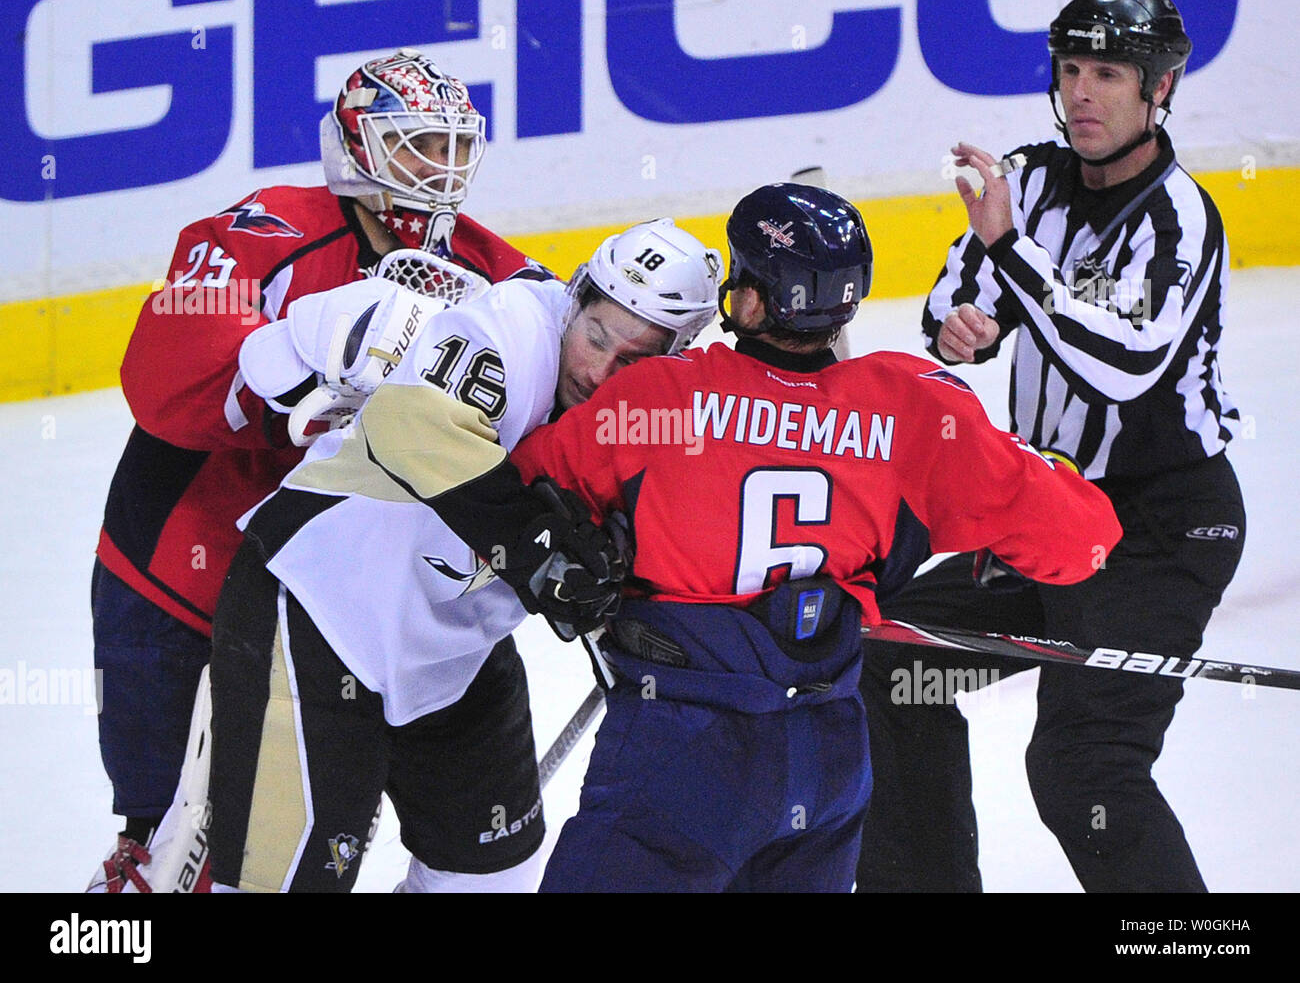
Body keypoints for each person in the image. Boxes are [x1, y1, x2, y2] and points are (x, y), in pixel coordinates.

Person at [507, 183, 1122, 892]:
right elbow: (1083, 542)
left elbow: (516, 495)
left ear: (750, 300)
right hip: (827, 758)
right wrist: (1037, 483)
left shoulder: (660, 399)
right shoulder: (914, 405)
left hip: (681, 753)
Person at [89, 48, 540, 891]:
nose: (440, 170)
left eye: (452, 146)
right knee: (171, 846)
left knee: (470, 856)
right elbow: (161, 382)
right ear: (354, 147)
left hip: (365, 602)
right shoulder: (264, 233)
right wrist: (294, 381)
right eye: (414, 145)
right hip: (184, 576)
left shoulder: (497, 273)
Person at [856, 0, 1246, 893]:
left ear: (1162, 86)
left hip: (1159, 533)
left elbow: (1123, 362)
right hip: (1048, 519)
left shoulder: (1179, 217)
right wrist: (964, 325)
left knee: (1084, 769)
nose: (1083, 93)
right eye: (1071, 70)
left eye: (1108, 74)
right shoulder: (1028, 179)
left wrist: (1009, 255)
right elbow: (962, 297)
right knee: (891, 661)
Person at [206, 218, 723, 892]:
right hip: (311, 611)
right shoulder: (512, 326)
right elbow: (412, 428)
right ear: (578, 297)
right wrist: (545, 556)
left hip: (452, 653)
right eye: (595, 335)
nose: (599, 370)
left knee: (493, 880)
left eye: (631, 360)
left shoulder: (664, 416)